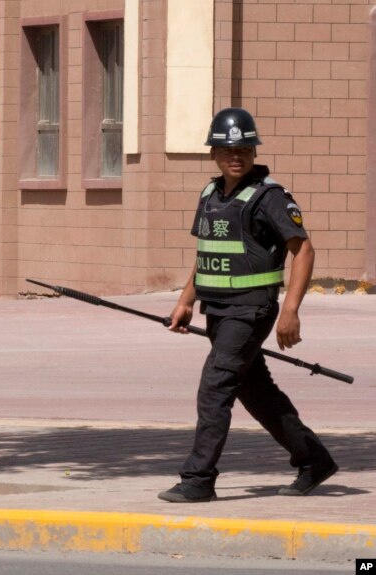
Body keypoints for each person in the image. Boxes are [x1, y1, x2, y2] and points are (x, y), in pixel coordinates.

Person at [159, 108, 337, 503]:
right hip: (219, 311)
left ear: (254, 152)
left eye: (243, 149)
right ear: (214, 154)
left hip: (250, 310)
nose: (235, 156)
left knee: (214, 389)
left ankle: (198, 479)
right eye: (227, 150)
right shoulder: (209, 194)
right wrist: (185, 302)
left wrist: (290, 310)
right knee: (256, 392)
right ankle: (315, 460)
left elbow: (303, 249)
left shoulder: (269, 197)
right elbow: (205, 253)